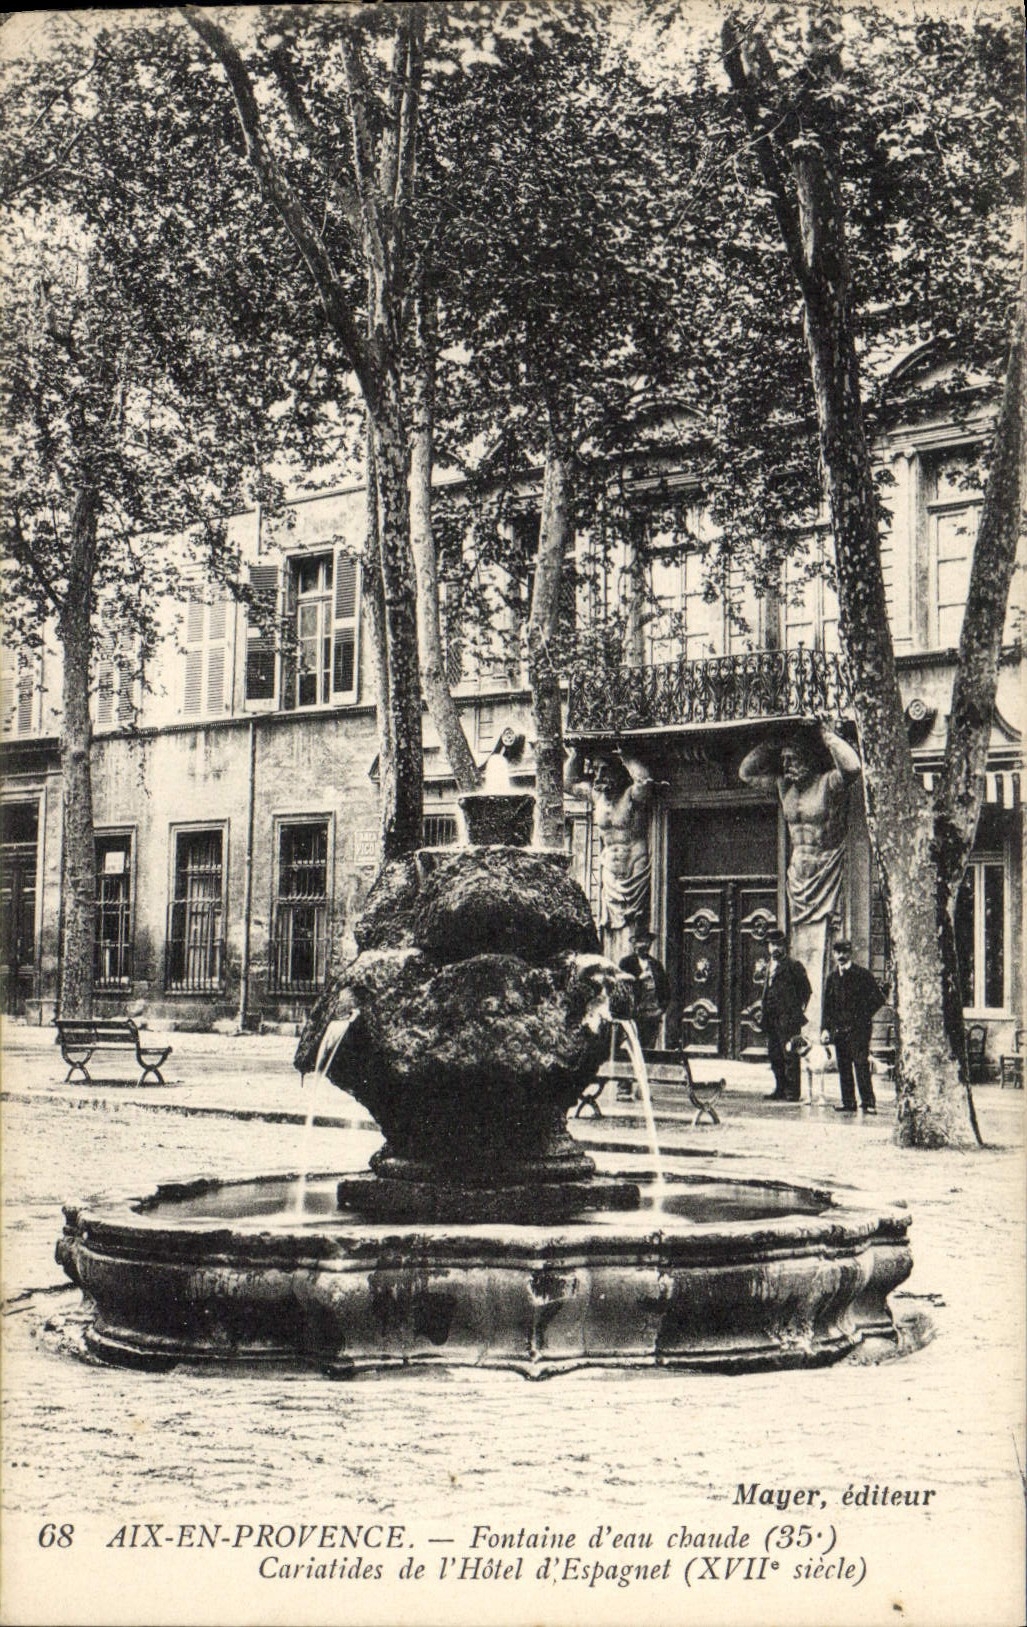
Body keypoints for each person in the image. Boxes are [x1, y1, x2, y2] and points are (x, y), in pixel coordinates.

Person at [739, 723, 862, 1032]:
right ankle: (799, 1031)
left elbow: (852, 767)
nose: (788, 765)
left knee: (823, 943)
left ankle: (818, 1029)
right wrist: (772, 740)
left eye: (793, 759)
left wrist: (825, 734)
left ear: (809, 759)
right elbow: (746, 774)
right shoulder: (785, 788)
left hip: (825, 869)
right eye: (785, 761)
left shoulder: (827, 783)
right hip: (797, 875)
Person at [565, 747, 655, 962]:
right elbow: (567, 783)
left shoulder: (630, 795)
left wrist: (626, 755)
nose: (599, 776)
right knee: (611, 930)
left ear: (619, 771)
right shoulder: (597, 797)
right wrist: (576, 755)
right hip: (610, 874)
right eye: (595, 770)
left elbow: (645, 782)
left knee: (638, 925)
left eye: (605, 770)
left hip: (634, 867)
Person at [821, 940, 886, 1115]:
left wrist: (861, 1016)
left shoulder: (862, 975)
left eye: (844, 952)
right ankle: (848, 1102)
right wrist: (825, 1029)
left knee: (861, 1065)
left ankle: (868, 1102)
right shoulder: (832, 978)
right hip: (840, 1030)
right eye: (837, 952)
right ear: (834, 954)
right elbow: (827, 1006)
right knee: (843, 1066)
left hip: (859, 1030)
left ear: (850, 953)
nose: (841, 956)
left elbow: (878, 999)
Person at [760, 927, 811, 1102]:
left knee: (790, 1055)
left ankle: (792, 1092)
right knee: (775, 1055)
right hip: (771, 1018)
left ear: (784, 946)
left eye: (778, 944)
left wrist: (795, 1011)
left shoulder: (793, 966)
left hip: (788, 1019)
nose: (775, 948)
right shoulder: (769, 966)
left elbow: (806, 991)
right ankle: (780, 1088)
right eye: (772, 944)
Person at [619, 927, 670, 1051]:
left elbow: (665, 988)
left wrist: (661, 1009)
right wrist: (639, 979)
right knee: (634, 1046)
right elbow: (621, 986)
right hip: (635, 1013)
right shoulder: (626, 963)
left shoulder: (656, 964)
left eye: (647, 942)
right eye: (641, 941)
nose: (644, 945)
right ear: (634, 944)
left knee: (649, 1046)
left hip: (653, 1013)